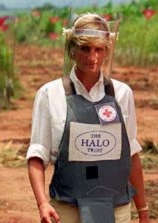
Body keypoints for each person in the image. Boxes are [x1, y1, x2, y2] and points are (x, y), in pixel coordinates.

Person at [27, 13, 150, 223]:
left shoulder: (122, 94)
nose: (92, 57)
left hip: (117, 208)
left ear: (106, 51)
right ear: (72, 49)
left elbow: (130, 154)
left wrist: (143, 211)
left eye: (98, 49)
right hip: (67, 208)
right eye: (85, 48)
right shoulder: (50, 94)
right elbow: (38, 154)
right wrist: (42, 203)